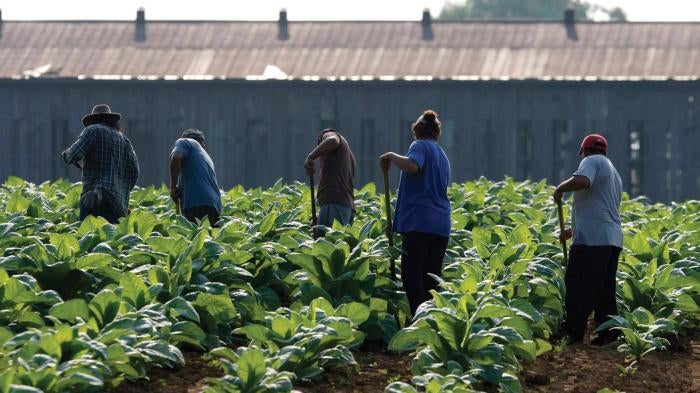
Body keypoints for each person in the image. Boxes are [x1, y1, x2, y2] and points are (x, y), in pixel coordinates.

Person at [379, 110, 451, 316]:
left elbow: (413, 167)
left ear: (417, 131)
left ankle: (419, 322)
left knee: (411, 276)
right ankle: (432, 323)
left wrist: (392, 156)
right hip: (441, 225)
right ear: (436, 133)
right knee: (430, 279)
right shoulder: (442, 155)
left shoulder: (419, 146)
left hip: (420, 223)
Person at [553, 133, 623, 345]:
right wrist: (573, 230)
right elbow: (600, 208)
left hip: (592, 242)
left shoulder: (590, 162)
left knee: (578, 285)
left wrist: (560, 189)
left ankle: (572, 332)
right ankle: (608, 333)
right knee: (604, 290)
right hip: (611, 240)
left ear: (584, 151)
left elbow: (582, 181)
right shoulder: (613, 171)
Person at [62, 104, 139, 224]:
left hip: (94, 198)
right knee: (111, 240)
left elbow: (73, 154)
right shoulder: (125, 141)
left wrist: (66, 154)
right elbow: (134, 172)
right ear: (112, 121)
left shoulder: (93, 130)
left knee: (89, 237)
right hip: (117, 205)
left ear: (93, 120)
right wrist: (121, 191)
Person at [304, 128, 357, 232]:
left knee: (328, 244)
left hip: (334, 203)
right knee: (334, 244)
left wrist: (311, 157)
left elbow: (333, 141)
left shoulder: (329, 135)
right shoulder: (349, 156)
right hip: (346, 208)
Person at [169, 129, 222, 226]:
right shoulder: (206, 157)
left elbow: (176, 158)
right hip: (214, 206)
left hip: (197, 204)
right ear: (202, 143)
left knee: (194, 238)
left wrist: (173, 187)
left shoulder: (185, 142)